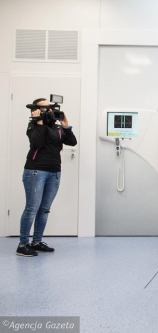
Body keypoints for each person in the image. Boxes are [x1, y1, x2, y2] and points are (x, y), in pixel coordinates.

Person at [16, 98, 77, 257]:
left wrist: (66, 125)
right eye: (45, 108)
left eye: (50, 107)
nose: (49, 110)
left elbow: (72, 141)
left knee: (44, 209)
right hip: (35, 171)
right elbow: (37, 143)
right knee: (32, 208)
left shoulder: (56, 128)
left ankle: (36, 242)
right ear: (36, 110)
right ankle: (23, 245)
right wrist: (39, 123)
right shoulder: (33, 126)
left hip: (54, 172)